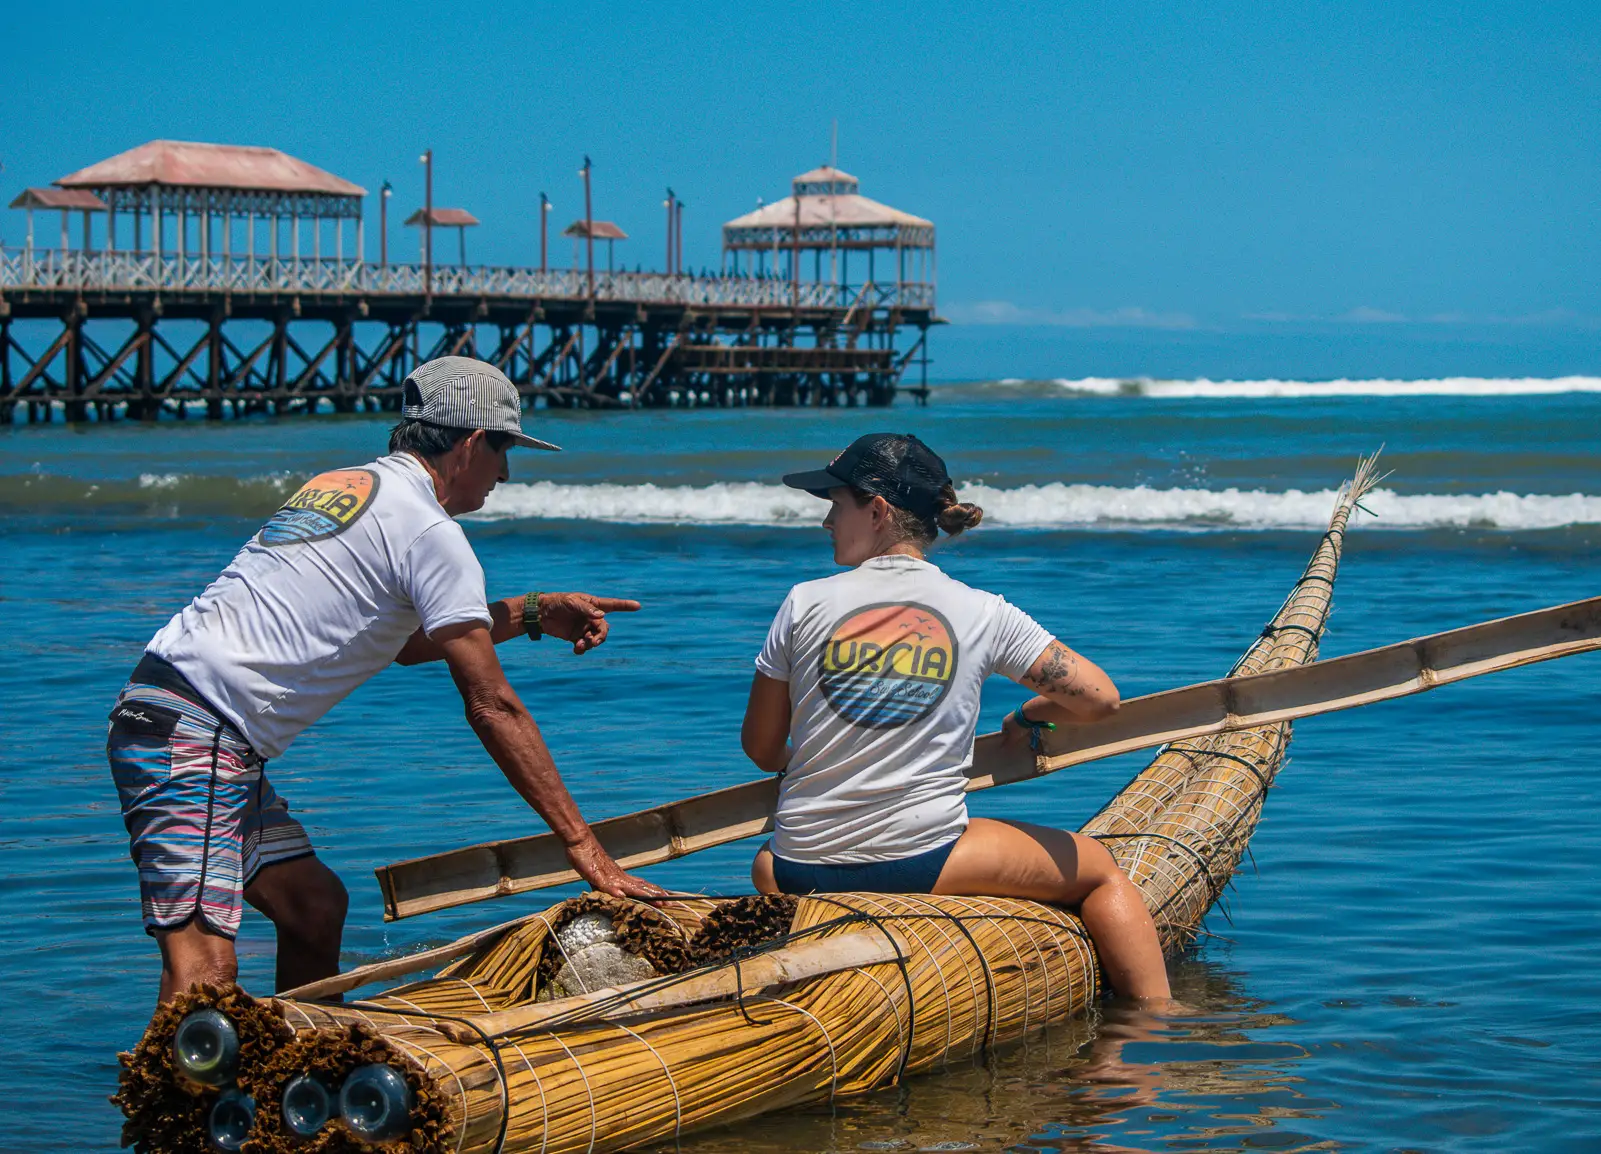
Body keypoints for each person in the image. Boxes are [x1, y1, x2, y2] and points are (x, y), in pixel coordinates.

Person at [108, 356, 665, 1005]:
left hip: (180, 715)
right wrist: (585, 849)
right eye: (504, 452)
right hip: (196, 737)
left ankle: (296, 1084)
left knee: (314, 908)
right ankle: (170, 1107)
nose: (506, 475)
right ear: (471, 445)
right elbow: (493, 706)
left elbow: (400, 645)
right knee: (203, 969)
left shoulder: (347, 485)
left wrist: (532, 613)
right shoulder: (431, 530)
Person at [739, 433, 1172, 1001]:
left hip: (797, 868)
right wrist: (1026, 715)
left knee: (765, 862)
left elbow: (762, 749)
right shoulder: (983, 612)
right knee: (1102, 872)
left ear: (877, 511)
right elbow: (1099, 700)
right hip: (921, 860)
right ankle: (1151, 1033)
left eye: (833, 505)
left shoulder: (802, 602)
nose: (825, 523)